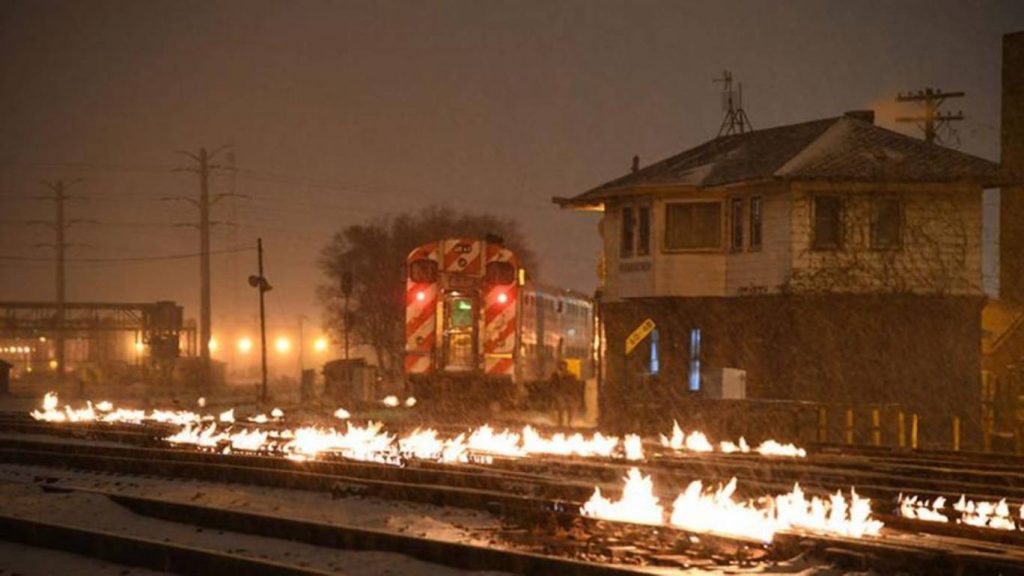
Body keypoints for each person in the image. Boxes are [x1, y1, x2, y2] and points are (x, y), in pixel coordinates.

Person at [551, 360, 577, 427]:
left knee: (570, 406)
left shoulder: (570, 374)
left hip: (568, 393)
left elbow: (573, 385)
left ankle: (569, 422)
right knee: (561, 406)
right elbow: (553, 384)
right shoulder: (555, 375)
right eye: (561, 366)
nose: (562, 367)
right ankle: (561, 422)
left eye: (564, 366)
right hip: (559, 393)